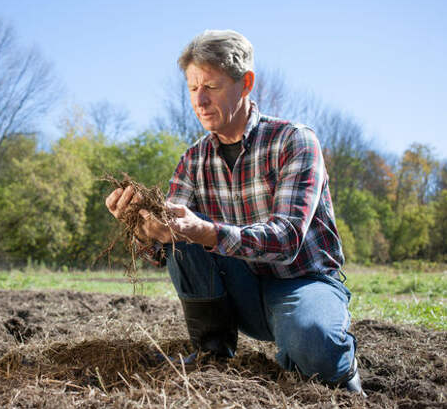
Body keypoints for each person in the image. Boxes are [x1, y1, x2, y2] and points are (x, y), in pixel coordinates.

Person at [105, 29, 365, 395]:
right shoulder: (193, 160)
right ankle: (212, 352)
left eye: (211, 86)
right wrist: (145, 229)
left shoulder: (294, 140)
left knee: (313, 344)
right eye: (193, 88)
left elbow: (288, 238)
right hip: (237, 290)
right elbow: (174, 246)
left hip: (302, 281)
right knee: (184, 233)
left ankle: (329, 358)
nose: (200, 99)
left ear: (246, 84)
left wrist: (205, 231)